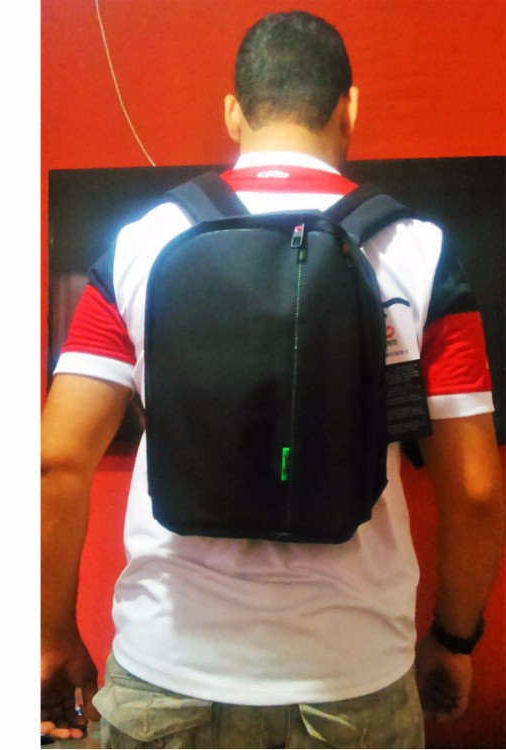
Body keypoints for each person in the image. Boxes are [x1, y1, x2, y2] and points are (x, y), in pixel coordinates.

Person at [40, 11, 504, 749]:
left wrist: (51, 635)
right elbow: (475, 489)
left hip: (168, 671)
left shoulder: (140, 244)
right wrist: (453, 639)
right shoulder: (420, 252)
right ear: (350, 108)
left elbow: (56, 460)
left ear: (234, 112)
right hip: (352, 680)